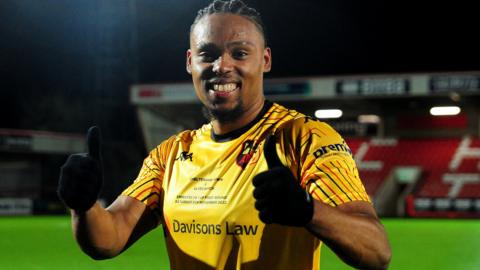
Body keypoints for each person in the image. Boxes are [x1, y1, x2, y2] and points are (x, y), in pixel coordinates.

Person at [57, 0, 391, 269]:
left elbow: (377, 251)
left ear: (265, 59)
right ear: (190, 62)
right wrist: (84, 206)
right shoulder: (170, 154)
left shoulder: (305, 138)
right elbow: (109, 238)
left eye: (240, 53)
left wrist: (307, 210)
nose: (222, 65)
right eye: (208, 54)